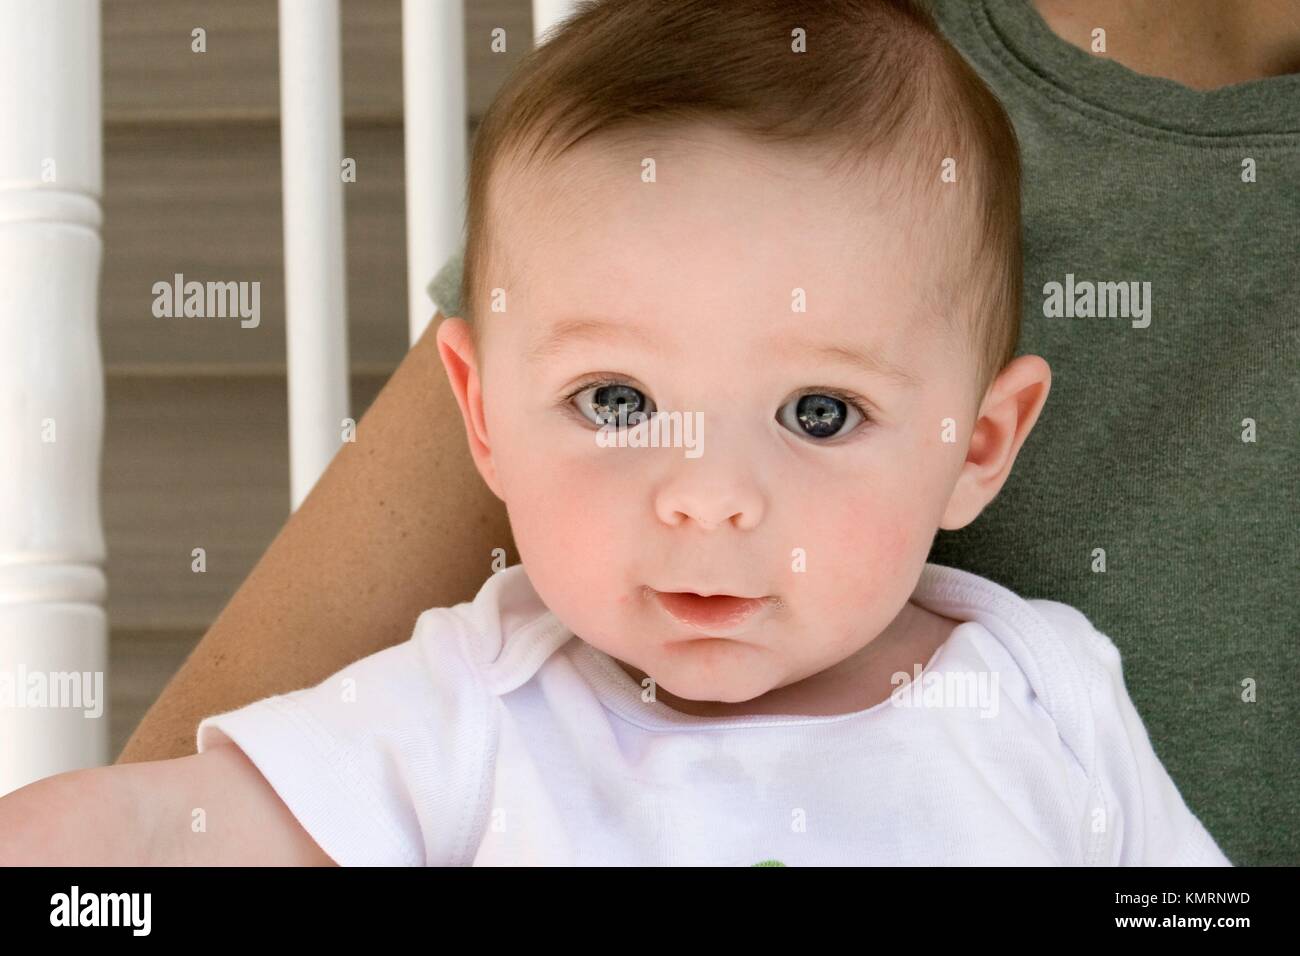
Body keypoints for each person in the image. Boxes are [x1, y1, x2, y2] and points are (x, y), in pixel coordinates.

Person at [1, 0, 1229, 866]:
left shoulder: (1036, 693)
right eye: (617, 402)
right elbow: (184, 832)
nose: (706, 496)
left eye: (818, 413)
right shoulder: (475, 707)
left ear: (977, 443)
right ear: (481, 414)